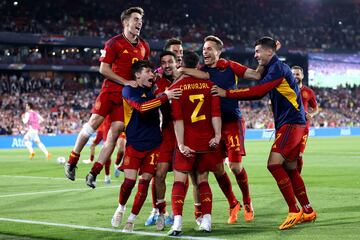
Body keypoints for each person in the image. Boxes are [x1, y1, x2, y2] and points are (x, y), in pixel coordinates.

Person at [212, 36, 317, 230]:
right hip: (291, 123)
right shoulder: (273, 66)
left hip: (291, 123)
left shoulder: (277, 68)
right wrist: (272, 49)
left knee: (273, 164)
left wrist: (227, 93)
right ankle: (308, 210)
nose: (255, 54)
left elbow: (258, 92)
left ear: (269, 52)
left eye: (259, 51)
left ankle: (294, 210)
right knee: (291, 168)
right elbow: (260, 74)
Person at [64, 7, 150, 182]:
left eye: (140, 19)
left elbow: (143, 71)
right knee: (94, 123)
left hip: (126, 98)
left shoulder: (144, 47)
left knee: (115, 132)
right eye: (135, 19)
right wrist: (125, 81)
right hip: (110, 92)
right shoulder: (113, 43)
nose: (139, 22)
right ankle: (72, 160)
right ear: (125, 22)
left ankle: (95, 172)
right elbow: (104, 69)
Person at [180, 35, 259, 224]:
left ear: (218, 51)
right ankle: (233, 204)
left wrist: (266, 59)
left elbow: (255, 75)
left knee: (234, 167)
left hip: (232, 122)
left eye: (209, 49)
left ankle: (247, 202)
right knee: (217, 169)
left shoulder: (231, 66)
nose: (205, 52)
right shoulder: (201, 71)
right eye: (204, 49)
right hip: (212, 126)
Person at [110, 60, 182, 232]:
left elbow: (161, 71)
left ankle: (132, 219)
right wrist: (165, 96)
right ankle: (121, 208)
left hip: (154, 144)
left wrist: (161, 75)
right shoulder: (128, 90)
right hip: (134, 144)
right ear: (137, 75)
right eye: (147, 71)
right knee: (129, 181)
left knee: (145, 182)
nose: (152, 74)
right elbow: (142, 107)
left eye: (152, 72)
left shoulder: (153, 87)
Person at [168, 51, 222, 236]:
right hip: (206, 141)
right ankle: (207, 221)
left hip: (187, 140)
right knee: (203, 180)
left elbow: (178, 120)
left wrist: (181, 144)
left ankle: (177, 223)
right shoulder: (210, 86)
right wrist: (217, 135)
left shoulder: (177, 88)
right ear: (198, 65)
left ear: (183, 64)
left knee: (179, 181)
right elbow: (216, 114)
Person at [291, 66, 319, 173]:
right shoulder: (284, 90)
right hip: (288, 126)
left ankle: (297, 177)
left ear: (302, 76)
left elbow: (316, 108)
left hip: (303, 127)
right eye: (293, 74)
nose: (295, 76)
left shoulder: (308, 92)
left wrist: (311, 114)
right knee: (287, 156)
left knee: (299, 155)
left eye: (297, 74)